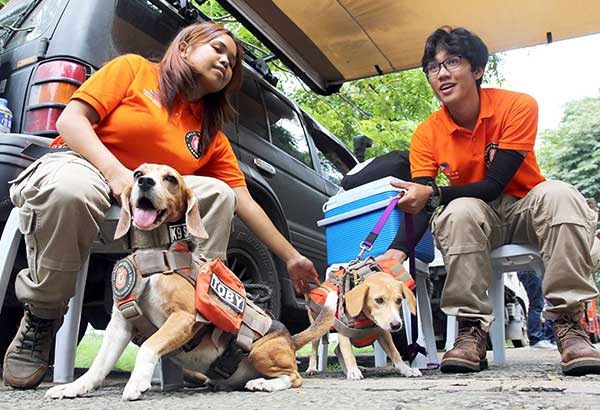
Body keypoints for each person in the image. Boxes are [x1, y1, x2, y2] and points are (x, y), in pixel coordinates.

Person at [2, 22, 319, 390]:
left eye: (231, 63)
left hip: (148, 213)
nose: (225, 62)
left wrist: (292, 257)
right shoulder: (133, 69)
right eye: (217, 48)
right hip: (85, 166)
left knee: (219, 193)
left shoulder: (209, 133)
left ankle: (190, 315)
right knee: (69, 189)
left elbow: (243, 200)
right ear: (184, 47)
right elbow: (71, 121)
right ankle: (41, 317)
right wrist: (117, 174)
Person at [378, 26, 600, 375]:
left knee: (560, 193)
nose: (442, 74)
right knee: (459, 211)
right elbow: (422, 200)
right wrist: (398, 250)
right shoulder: (426, 133)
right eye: (433, 68)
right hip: (475, 220)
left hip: (527, 207)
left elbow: (495, 184)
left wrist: (434, 194)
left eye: (452, 62)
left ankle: (569, 325)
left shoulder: (517, 105)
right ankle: (470, 330)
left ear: (477, 69)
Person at [516, 271, 556, 349]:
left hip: (528, 268)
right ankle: (537, 338)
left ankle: (548, 338)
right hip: (531, 268)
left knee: (539, 303)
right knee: (537, 303)